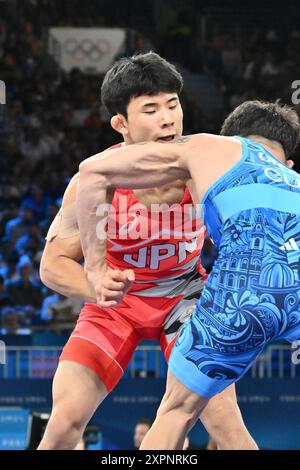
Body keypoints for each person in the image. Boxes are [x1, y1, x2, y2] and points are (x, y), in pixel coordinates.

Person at [38, 53, 254, 450]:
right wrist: (96, 286)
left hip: (187, 298)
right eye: (151, 109)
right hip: (115, 305)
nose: (168, 118)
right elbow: (52, 265)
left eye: (173, 105)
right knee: (64, 422)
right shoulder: (93, 183)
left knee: (226, 423)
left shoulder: (208, 173)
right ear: (121, 124)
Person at [77, 99, 300, 449]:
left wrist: (95, 268)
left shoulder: (210, 146)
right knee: (229, 428)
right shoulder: (293, 178)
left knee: (177, 410)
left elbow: (92, 171)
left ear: (230, 136)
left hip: (247, 285)